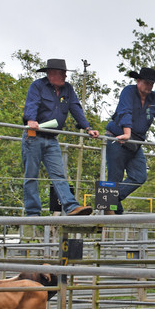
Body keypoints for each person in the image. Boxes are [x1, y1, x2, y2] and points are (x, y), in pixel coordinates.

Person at [22, 58, 100, 216]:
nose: (64, 76)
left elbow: (76, 108)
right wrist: (31, 119)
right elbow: (32, 103)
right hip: (33, 136)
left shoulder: (68, 90)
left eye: (65, 73)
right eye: (61, 73)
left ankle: (71, 207)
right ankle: (33, 213)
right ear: (51, 74)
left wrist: (87, 127)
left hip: (52, 138)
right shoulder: (37, 86)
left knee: (59, 174)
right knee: (31, 175)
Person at [105, 68, 155, 214]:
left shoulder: (154, 98)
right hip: (118, 138)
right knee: (114, 177)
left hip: (136, 143)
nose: (149, 87)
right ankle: (109, 214)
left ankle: (109, 200)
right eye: (146, 83)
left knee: (140, 176)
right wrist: (126, 132)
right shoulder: (128, 91)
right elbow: (125, 111)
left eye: (151, 84)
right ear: (138, 81)